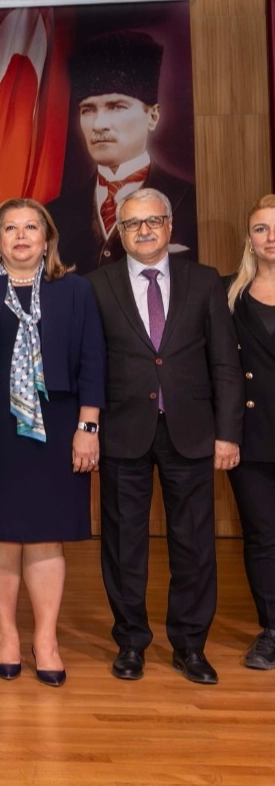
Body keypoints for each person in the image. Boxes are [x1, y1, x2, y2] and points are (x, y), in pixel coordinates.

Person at [88, 187, 243, 685]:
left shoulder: (204, 282)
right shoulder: (97, 286)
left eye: (153, 220)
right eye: (133, 223)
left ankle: (190, 646)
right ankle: (131, 642)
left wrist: (228, 433)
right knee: (123, 546)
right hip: (122, 433)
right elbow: (91, 365)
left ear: (170, 225)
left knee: (194, 544)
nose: (144, 230)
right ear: (120, 233)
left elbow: (225, 363)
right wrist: (88, 428)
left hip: (192, 432)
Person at [0, 198, 105, 688]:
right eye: (10, 228)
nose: (21, 236)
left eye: (30, 227)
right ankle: (6, 635)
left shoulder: (75, 290)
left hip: (59, 427)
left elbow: (93, 359)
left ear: (47, 239)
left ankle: (46, 640)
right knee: (0, 535)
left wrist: (88, 427)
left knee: (47, 535)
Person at [47, 31, 198, 275]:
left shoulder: (192, 203)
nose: (99, 125)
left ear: (153, 116)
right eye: (88, 110)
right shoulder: (54, 215)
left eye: (117, 107)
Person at [224, 194, 275, 671]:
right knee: (262, 536)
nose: (271, 237)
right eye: (261, 228)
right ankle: (272, 629)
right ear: (250, 238)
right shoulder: (229, 295)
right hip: (253, 436)